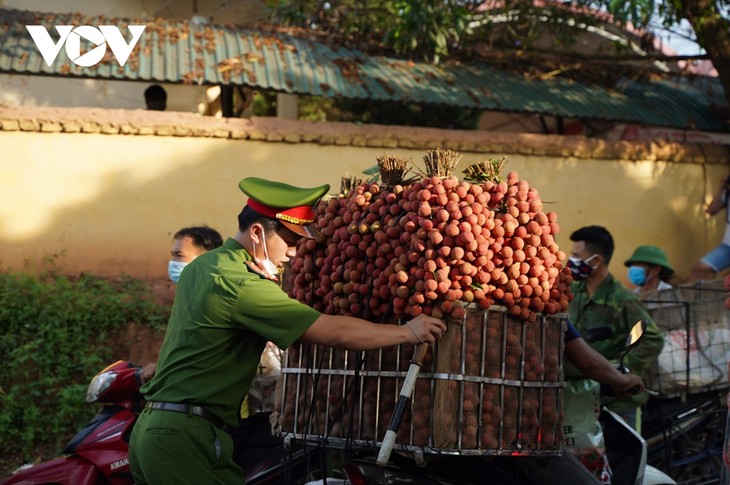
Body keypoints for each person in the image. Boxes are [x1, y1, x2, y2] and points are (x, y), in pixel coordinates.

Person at [128, 177, 447, 484]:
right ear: (257, 232)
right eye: (291, 240)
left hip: (154, 431)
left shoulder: (205, 266)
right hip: (184, 439)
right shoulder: (242, 285)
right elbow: (329, 331)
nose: (295, 252)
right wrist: (408, 332)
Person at [566, 225, 664, 430]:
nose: (571, 261)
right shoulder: (572, 291)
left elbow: (653, 339)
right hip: (581, 395)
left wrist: (619, 367)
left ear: (596, 260)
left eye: (577, 256)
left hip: (618, 399)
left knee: (621, 456)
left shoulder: (622, 299)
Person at [689, 174, 730, 282]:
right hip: (727, 246)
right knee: (699, 269)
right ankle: (694, 298)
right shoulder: (727, 194)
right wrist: (722, 187)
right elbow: (712, 210)